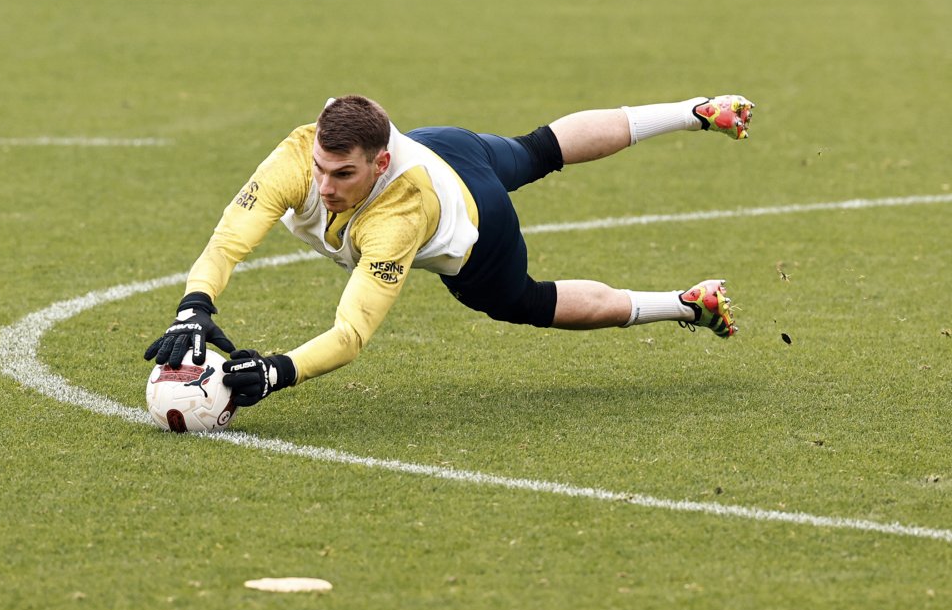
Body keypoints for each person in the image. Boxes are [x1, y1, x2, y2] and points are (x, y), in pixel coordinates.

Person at [144, 94, 754, 407]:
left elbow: (351, 333)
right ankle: (697, 111)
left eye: (344, 175)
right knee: (540, 148)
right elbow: (230, 237)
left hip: (473, 212)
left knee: (522, 301)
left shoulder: (397, 219)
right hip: (444, 146)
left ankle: (685, 304)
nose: (325, 187)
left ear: (380, 163)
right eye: (321, 170)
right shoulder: (300, 155)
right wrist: (194, 306)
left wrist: (279, 370)